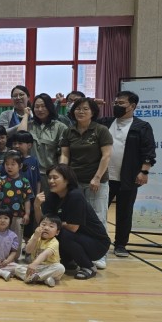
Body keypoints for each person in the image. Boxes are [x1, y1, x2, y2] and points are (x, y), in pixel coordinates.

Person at [97, 90, 156, 257]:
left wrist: (144, 171)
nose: (117, 106)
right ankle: (98, 242)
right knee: (99, 211)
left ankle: (120, 244)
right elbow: (82, 120)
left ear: (132, 106)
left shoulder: (142, 126)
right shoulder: (105, 122)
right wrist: (95, 107)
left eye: (121, 103)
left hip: (128, 178)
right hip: (104, 177)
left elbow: (149, 151)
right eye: (115, 103)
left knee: (125, 212)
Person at [34, 164, 111, 280]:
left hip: (97, 243)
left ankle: (89, 267)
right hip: (78, 238)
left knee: (62, 232)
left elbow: (73, 227)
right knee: (49, 230)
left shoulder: (75, 196)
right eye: (49, 178)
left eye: (55, 178)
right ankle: (68, 261)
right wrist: (36, 206)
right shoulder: (52, 196)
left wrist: (54, 226)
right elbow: (43, 224)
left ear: (67, 180)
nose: (51, 181)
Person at [60, 97, 113, 232]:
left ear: (93, 112)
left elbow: (106, 155)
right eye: (78, 109)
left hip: (96, 182)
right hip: (75, 181)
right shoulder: (68, 131)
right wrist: (63, 174)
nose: (81, 112)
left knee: (97, 217)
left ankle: (101, 246)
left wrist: (97, 178)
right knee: (75, 217)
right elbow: (65, 155)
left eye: (85, 109)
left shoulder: (101, 130)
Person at [19, 93, 67, 193]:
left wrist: (61, 173)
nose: (40, 109)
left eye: (43, 106)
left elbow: (63, 153)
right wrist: (26, 115)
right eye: (37, 107)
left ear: (50, 107)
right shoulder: (29, 125)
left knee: (49, 201)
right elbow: (20, 135)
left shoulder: (60, 127)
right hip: (29, 173)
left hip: (49, 175)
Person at [0, 151, 33, 247]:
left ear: (20, 166)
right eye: (7, 164)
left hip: (18, 215)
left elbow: (27, 199)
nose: (9, 167)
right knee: (2, 237)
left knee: (17, 238)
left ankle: (15, 255)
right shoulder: (1, 179)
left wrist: (27, 214)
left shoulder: (24, 181)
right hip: (2, 215)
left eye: (13, 164)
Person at [13, 215, 66, 287]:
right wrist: (35, 237)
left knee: (60, 268)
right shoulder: (35, 236)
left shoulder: (54, 242)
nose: (46, 228)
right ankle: (45, 279)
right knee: (17, 269)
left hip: (50, 267)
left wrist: (34, 263)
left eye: (51, 226)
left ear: (57, 232)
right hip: (37, 268)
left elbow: (45, 254)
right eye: (43, 224)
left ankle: (33, 277)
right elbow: (28, 250)